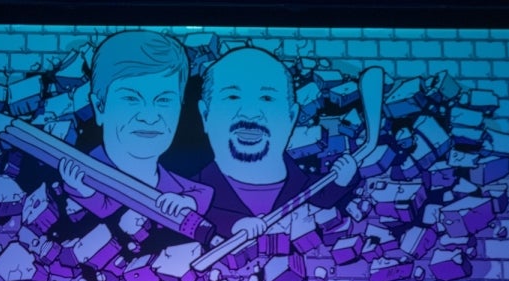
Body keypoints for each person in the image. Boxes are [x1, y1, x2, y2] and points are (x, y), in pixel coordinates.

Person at [194, 46, 358, 240]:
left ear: (292, 117)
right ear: (205, 115)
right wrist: (233, 224)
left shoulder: (307, 186)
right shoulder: (190, 193)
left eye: (267, 98)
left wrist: (343, 180)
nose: (250, 112)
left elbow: (325, 203)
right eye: (232, 96)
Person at [59, 29, 212, 225]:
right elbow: (106, 209)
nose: (149, 117)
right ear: (100, 107)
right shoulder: (80, 174)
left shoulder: (178, 186)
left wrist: (188, 202)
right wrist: (85, 193)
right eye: (131, 99)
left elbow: (203, 193)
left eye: (164, 100)